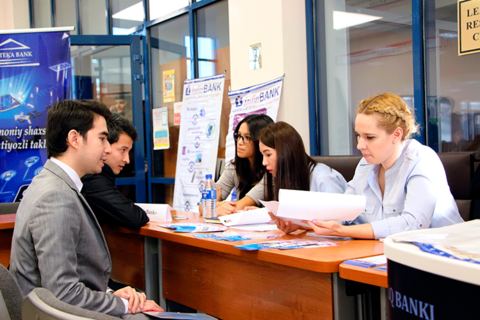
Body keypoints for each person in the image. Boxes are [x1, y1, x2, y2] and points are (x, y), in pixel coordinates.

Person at [9, 100, 162, 319]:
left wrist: (111, 294)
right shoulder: (56, 196)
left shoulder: (52, 182)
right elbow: (63, 293)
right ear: (74, 139)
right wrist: (122, 305)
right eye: (102, 139)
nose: (107, 148)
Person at [274, 93, 464, 239]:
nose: (360, 145)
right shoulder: (367, 164)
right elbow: (343, 212)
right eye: (358, 135)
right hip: (386, 257)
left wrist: (342, 231)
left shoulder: (422, 160)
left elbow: (413, 224)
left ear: (397, 135)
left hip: (445, 260)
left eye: (370, 137)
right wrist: (304, 224)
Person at [256, 121, 347, 230]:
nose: (264, 162)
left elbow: (340, 224)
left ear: (286, 151)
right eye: (263, 155)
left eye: (268, 154)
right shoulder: (287, 176)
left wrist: (301, 226)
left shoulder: (323, 177)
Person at [81, 113, 149, 230]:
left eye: (128, 152)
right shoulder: (93, 178)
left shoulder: (99, 175)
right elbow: (135, 217)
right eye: (122, 150)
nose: (127, 160)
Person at [199, 114, 273, 216]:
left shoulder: (271, 170)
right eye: (238, 136)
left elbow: (237, 207)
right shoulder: (234, 168)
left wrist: (215, 206)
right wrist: (213, 207)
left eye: (247, 137)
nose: (239, 142)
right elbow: (203, 206)